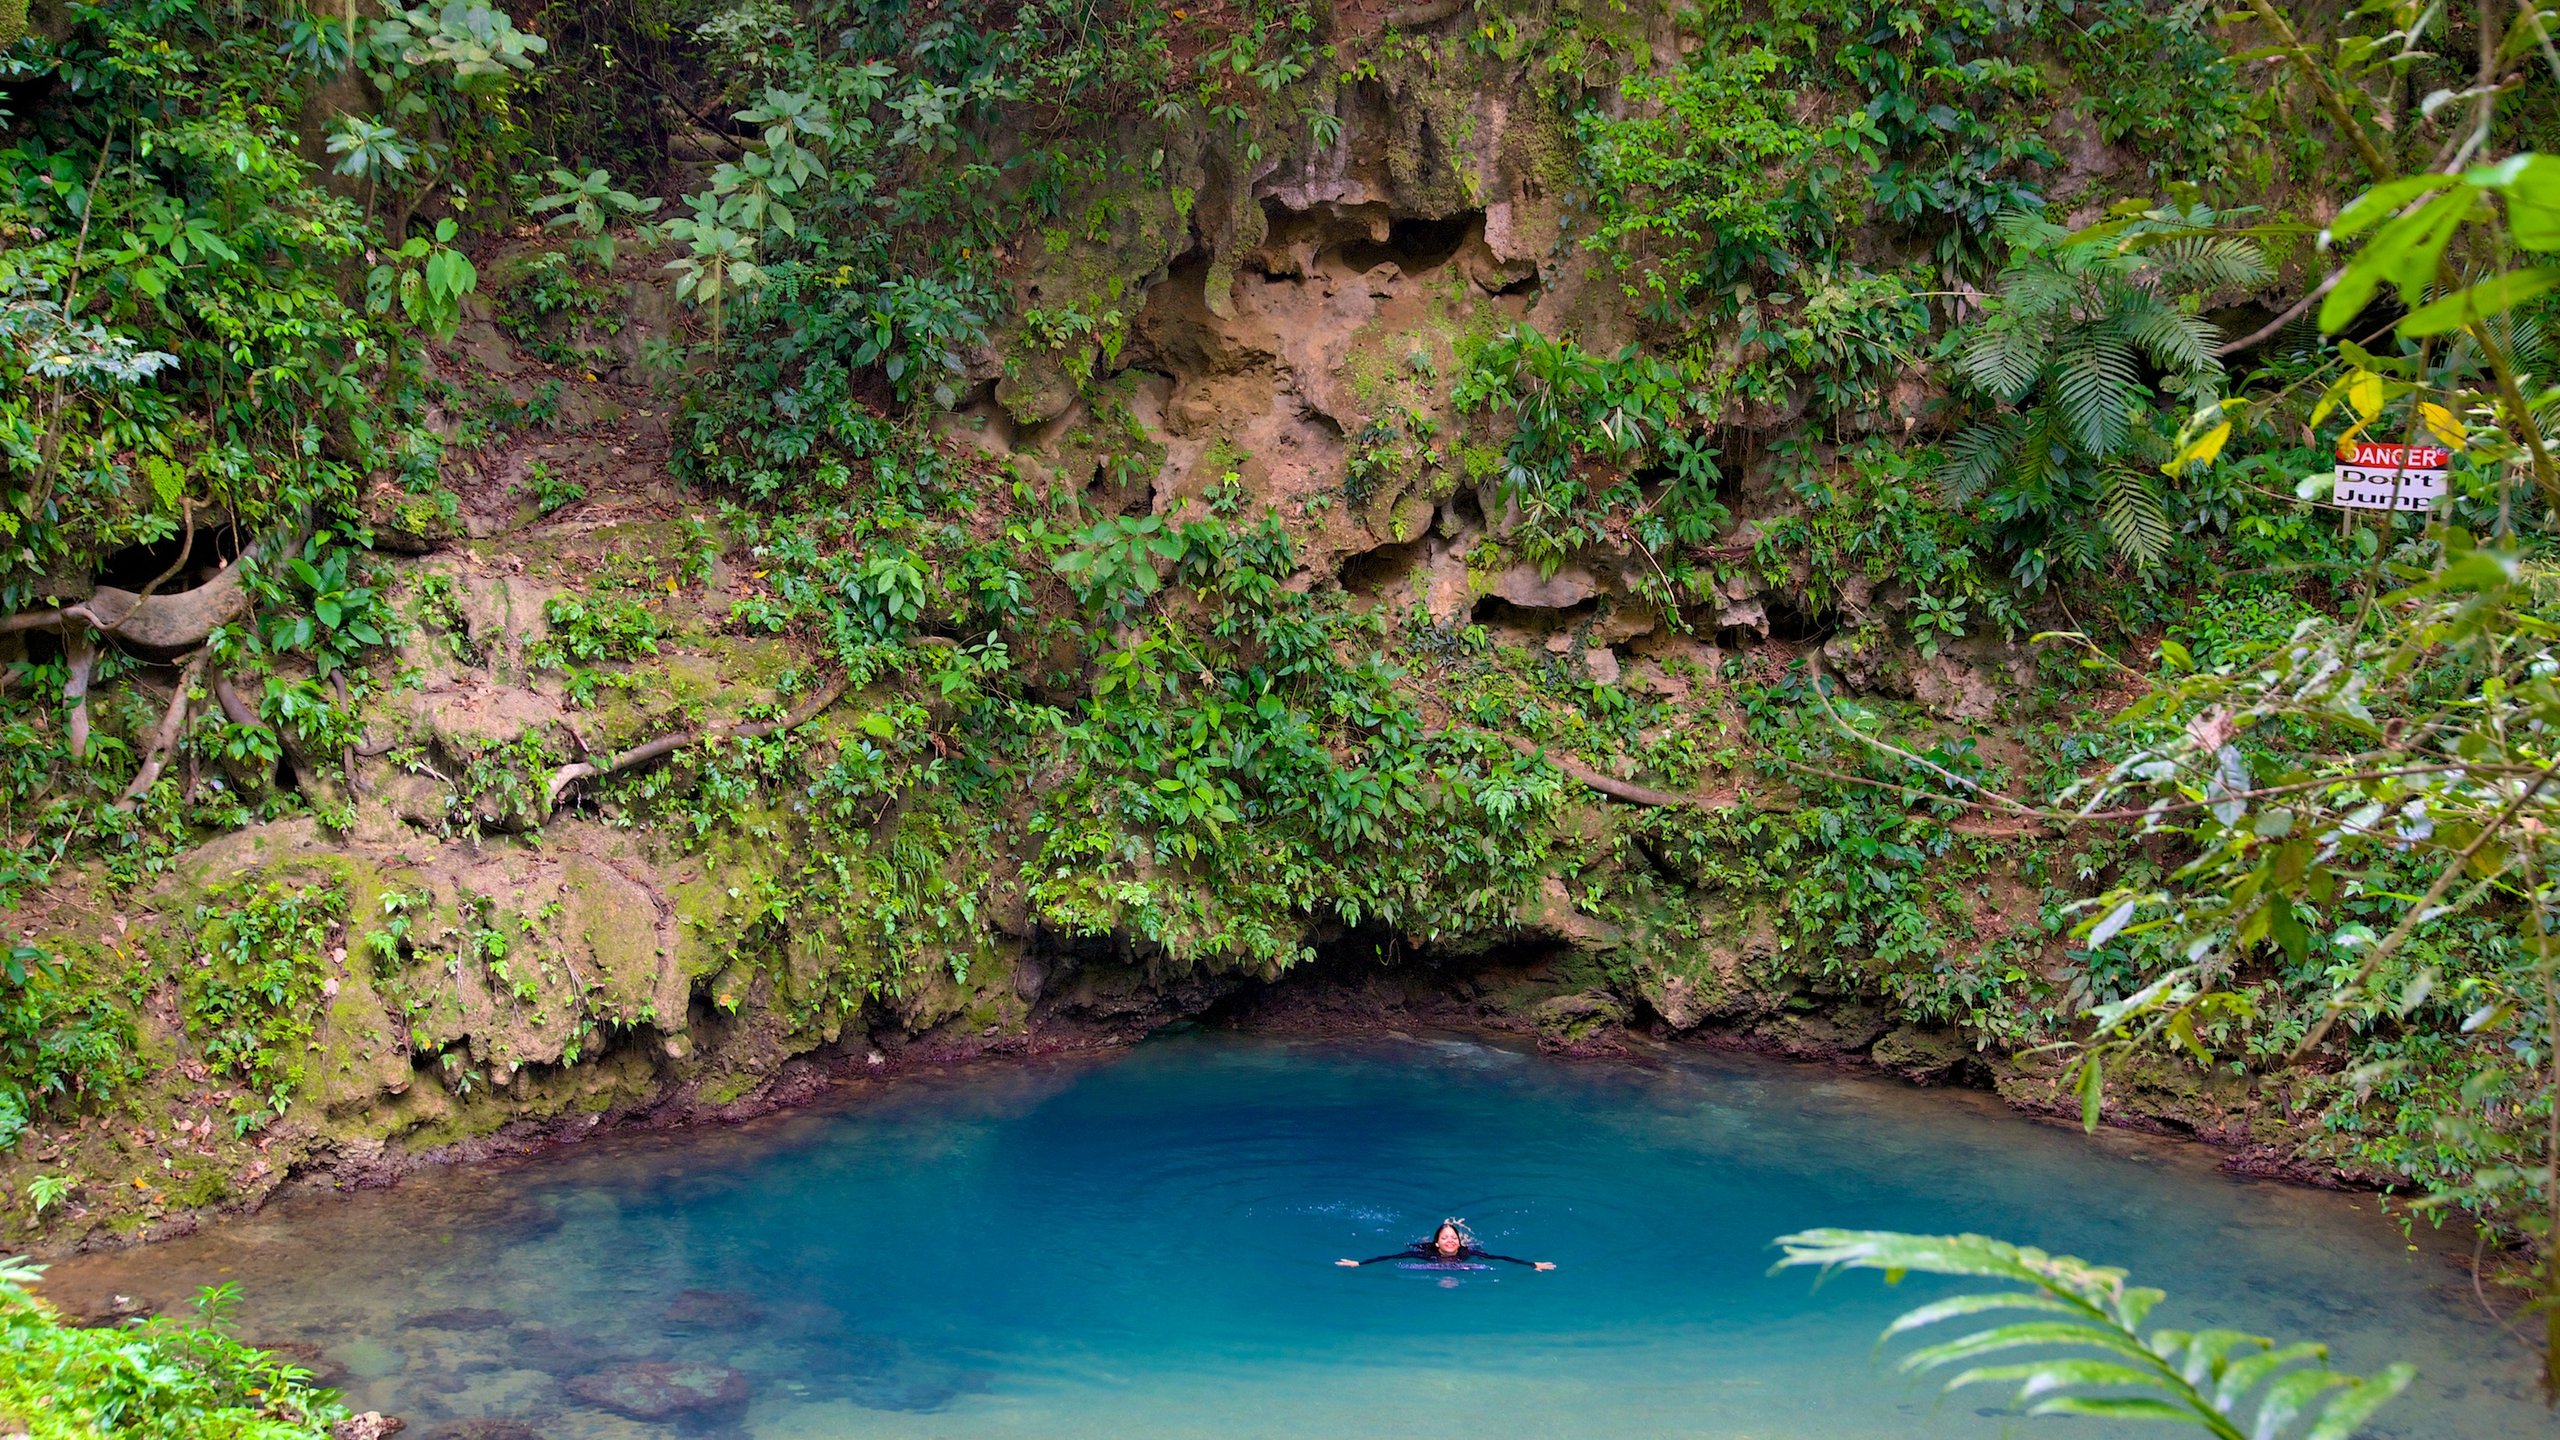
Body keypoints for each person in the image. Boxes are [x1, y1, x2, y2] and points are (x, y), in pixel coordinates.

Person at [1336, 1219, 1556, 1270]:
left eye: (1453, 1238)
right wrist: (1359, 1263)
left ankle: (1457, 1225)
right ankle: (1450, 1225)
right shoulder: (1427, 1254)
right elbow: (1393, 1257)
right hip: (1427, 1248)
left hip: (1462, 1249)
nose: (1450, 1241)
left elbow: (1501, 1257)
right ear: (1437, 1243)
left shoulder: (1466, 1251)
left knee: (1473, 1243)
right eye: (1445, 1238)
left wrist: (1532, 1264)